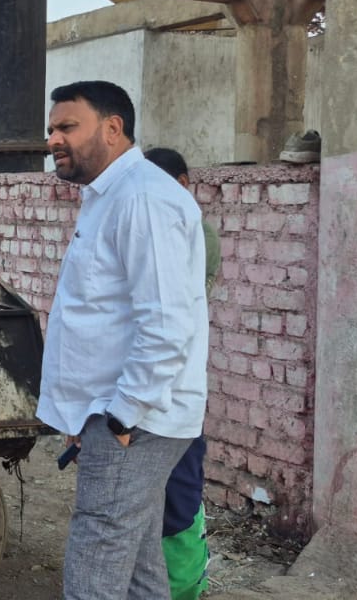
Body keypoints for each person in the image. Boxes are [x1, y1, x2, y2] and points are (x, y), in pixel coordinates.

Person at [38, 81, 209, 600]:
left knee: (97, 564)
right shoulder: (109, 197)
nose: (54, 140)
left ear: (113, 129)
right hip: (116, 413)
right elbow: (100, 316)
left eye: (68, 127)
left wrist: (120, 416)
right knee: (137, 564)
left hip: (136, 418)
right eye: (51, 129)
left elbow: (166, 323)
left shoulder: (142, 199)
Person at [144, 146, 221, 600]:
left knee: (180, 499)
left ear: (184, 185)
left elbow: (172, 320)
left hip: (176, 393)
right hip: (155, 393)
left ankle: (184, 587)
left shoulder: (195, 233)